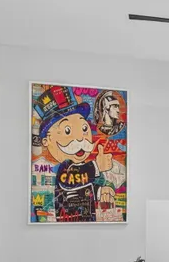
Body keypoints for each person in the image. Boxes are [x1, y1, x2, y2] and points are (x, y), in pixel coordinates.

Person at [35, 86, 115, 222]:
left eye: (84, 128)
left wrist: (100, 191)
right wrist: (96, 166)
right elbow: (70, 180)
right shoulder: (65, 168)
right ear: (46, 141)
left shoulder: (82, 169)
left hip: (88, 220)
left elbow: (83, 186)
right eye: (67, 131)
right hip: (69, 221)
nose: (80, 138)